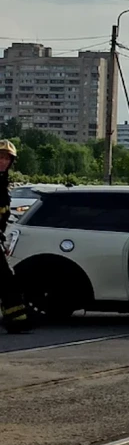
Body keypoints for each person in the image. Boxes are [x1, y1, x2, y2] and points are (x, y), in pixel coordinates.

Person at [0, 140, 31, 333]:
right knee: (6, 278)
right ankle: (16, 321)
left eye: (6, 158)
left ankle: (16, 320)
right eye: (0, 157)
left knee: (6, 279)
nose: (3, 161)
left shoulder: (3, 182)